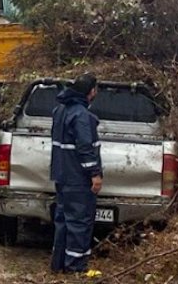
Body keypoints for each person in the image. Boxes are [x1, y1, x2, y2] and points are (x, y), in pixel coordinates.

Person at [50, 73, 103, 275]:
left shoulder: (60, 110)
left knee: (63, 220)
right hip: (78, 178)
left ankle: (59, 264)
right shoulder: (82, 116)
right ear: (91, 91)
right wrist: (95, 174)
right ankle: (76, 267)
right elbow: (85, 148)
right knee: (79, 222)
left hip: (62, 176)